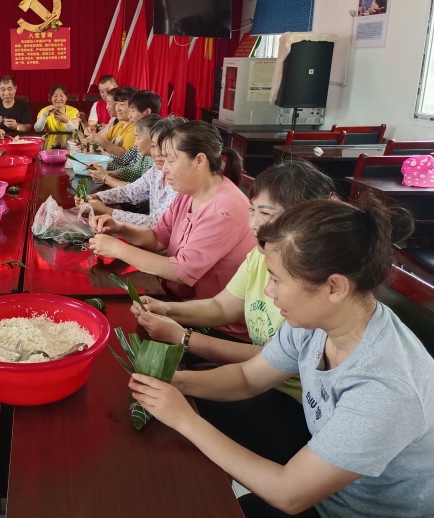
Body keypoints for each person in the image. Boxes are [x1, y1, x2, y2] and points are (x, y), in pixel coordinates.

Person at [129, 198, 434, 518]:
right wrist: (175, 382)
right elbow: (247, 378)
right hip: (323, 484)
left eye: (277, 279)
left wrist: (184, 419)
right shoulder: (319, 322)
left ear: (334, 287)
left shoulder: (385, 388)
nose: (269, 291)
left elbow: (288, 494)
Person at [131, 161, 337, 466]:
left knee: (181, 423)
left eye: (265, 214)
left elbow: (266, 361)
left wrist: (184, 338)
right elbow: (221, 307)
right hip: (259, 378)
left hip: (291, 401)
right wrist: (167, 309)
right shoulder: (260, 254)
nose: (253, 223)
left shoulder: (312, 287)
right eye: (252, 210)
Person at [88, 120, 255, 341]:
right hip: (179, 303)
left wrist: (118, 249)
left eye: (171, 160)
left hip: (215, 325)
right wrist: (120, 228)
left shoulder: (224, 209)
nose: (164, 168)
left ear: (199, 160)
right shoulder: (188, 193)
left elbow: (181, 272)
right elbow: (158, 237)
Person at [76, 118, 182, 227]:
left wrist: (106, 211)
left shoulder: (181, 184)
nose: (158, 153)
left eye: (164, 148)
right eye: (154, 146)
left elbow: (156, 223)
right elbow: (131, 191)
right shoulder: (156, 170)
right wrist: (97, 197)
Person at [86, 115, 157, 187]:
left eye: (138, 138)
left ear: (153, 138)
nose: (135, 143)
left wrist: (105, 177)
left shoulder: (158, 162)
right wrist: (106, 173)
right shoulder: (147, 157)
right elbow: (134, 170)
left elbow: (138, 189)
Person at [84, 86, 139, 157]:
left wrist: (100, 140)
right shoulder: (119, 124)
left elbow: (126, 156)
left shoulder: (135, 128)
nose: (117, 109)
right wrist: (83, 142)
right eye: (116, 104)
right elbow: (101, 144)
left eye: (122, 104)